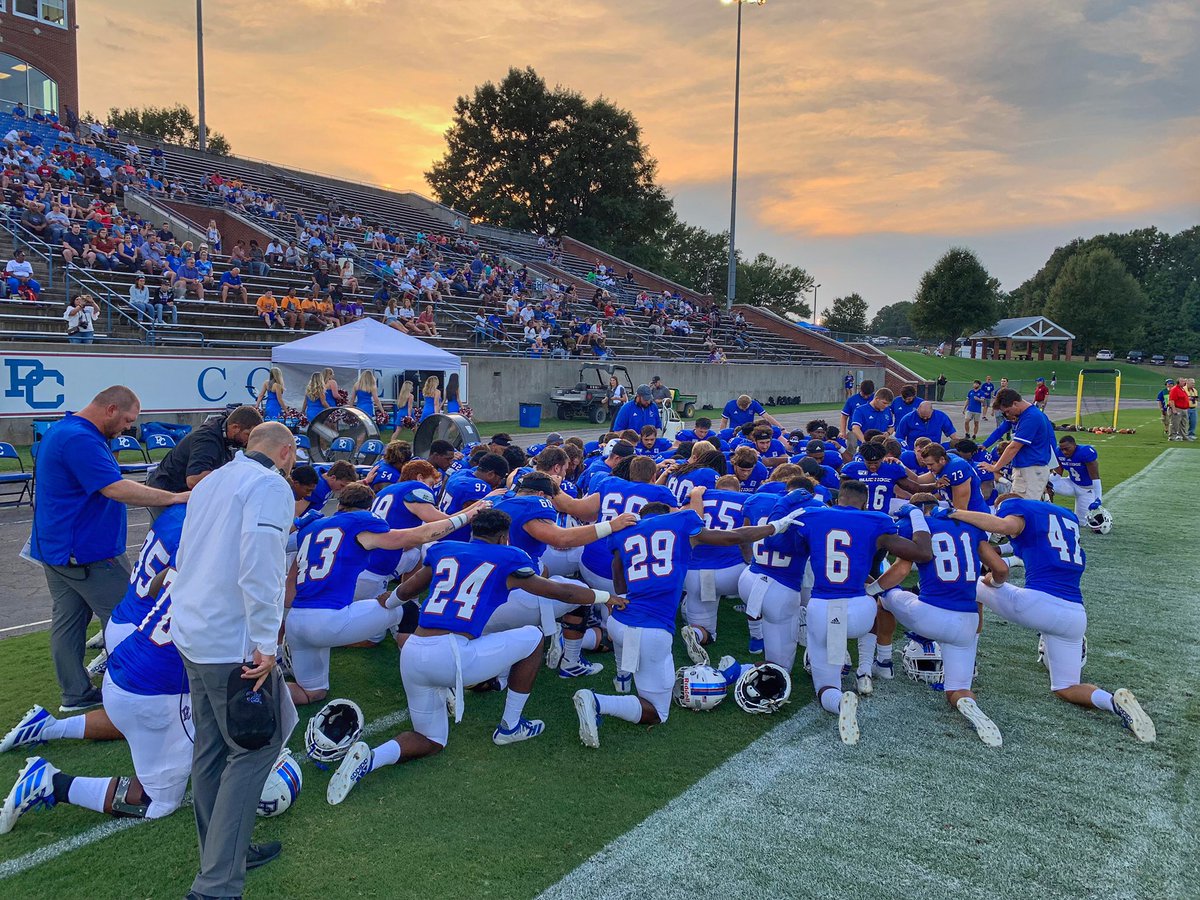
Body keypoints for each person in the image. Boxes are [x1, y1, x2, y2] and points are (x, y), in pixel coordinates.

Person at [327, 509, 627, 803]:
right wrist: (606, 597)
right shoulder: (510, 556)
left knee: (431, 740)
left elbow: (406, 589)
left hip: (413, 653)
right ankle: (511, 726)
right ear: (503, 537)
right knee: (534, 637)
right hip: (454, 654)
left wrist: (388, 600)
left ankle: (372, 758)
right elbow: (563, 593)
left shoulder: (444, 550)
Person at [170, 422, 299, 897]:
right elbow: (260, 564)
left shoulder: (215, 479)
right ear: (285, 452)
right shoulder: (268, 485)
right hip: (230, 642)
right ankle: (217, 882)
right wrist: (267, 643)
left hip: (194, 630)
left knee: (211, 748)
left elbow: (186, 556)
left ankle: (224, 853)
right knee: (255, 748)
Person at [571, 498, 797, 749]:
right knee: (658, 712)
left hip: (619, 622)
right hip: (650, 631)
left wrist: (620, 597)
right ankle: (597, 702)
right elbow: (732, 537)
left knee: (629, 641)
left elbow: (618, 571)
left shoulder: (624, 532)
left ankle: (623, 679)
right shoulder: (680, 521)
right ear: (666, 512)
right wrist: (774, 527)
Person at [30, 386, 188, 712]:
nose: (129, 427)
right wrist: (174, 497)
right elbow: (115, 488)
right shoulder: (80, 438)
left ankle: (75, 695)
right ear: (111, 409)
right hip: (86, 551)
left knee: (69, 621)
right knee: (129, 616)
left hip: (58, 547)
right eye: (128, 419)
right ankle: (133, 689)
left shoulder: (67, 430)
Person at [949, 496, 1155, 743]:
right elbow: (1032, 546)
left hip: (1038, 604)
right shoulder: (1064, 518)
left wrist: (954, 513)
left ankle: (967, 658)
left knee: (972, 587)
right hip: (1075, 615)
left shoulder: (1016, 508)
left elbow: (1004, 527)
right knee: (1066, 687)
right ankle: (1113, 702)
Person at [285, 483, 486, 706]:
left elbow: (288, 594)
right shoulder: (361, 522)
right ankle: (427, 676)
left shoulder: (310, 528)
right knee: (408, 609)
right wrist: (467, 516)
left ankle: (252, 693)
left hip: (296, 622)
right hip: (329, 620)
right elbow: (419, 535)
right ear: (368, 507)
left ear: (340, 504)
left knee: (312, 693)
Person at [767, 480, 932, 744]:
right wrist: (915, 513)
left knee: (825, 684)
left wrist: (783, 503)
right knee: (876, 601)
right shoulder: (876, 519)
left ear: (837, 500)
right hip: (860, 611)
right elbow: (923, 553)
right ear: (864, 503)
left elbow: (773, 541)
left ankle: (839, 700)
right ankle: (865, 669)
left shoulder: (814, 515)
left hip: (824, 609)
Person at [871, 493, 1009, 746]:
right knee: (956, 689)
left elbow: (901, 570)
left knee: (886, 599)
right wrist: (993, 584)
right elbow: (1000, 569)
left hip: (929, 613)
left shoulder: (919, 527)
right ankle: (967, 701)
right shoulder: (970, 527)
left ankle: (883, 662)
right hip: (966, 623)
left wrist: (872, 590)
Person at [148, 405, 264, 496]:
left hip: (181, 492)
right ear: (235, 427)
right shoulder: (207, 440)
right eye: (248, 435)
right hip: (167, 491)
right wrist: (234, 479)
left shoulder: (225, 431)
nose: (250, 440)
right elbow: (194, 479)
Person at [981, 389, 1055, 500]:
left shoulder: (1031, 417)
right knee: (1015, 506)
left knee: (1027, 509)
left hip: (1032, 469)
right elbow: (1000, 431)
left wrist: (995, 467)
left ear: (1015, 403)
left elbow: (1014, 447)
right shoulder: (1024, 416)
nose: (1007, 415)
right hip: (1024, 467)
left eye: (1007, 411)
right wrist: (985, 445)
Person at [1049, 436, 1103, 519]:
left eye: (1067, 449)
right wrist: (1045, 482)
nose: (1064, 452)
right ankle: (1047, 511)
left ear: (1074, 445)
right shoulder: (1058, 452)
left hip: (1086, 489)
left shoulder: (1085, 452)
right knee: (1045, 485)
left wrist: (1098, 498)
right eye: (1062, 449)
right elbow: (1057, 474)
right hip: (1071, 483)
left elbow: (1095, 477)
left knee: (1081, 522)